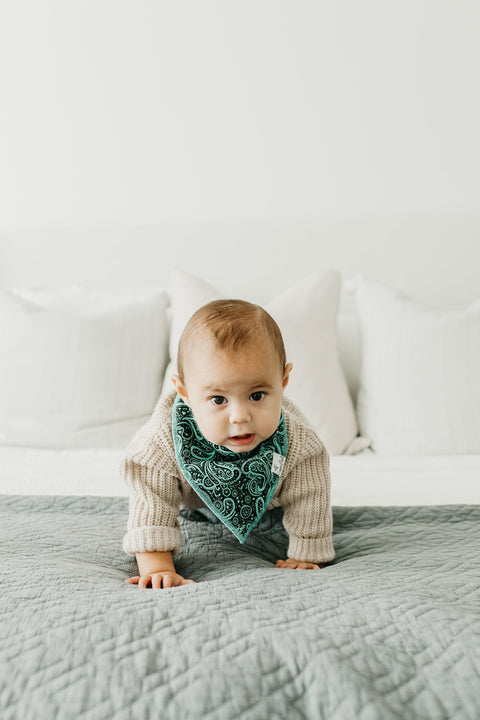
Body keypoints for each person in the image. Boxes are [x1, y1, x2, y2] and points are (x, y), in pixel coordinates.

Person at [122, 299, 335, 590]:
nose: (240, 416)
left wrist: (307, 552)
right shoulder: (159, 444)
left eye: (257, 395)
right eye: (219, 400)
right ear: (184, 392)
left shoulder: (300, 443)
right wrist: (158, 565)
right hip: (191, 498)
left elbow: (310, 496)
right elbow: (151, 503)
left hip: (268, 501)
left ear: (283, 381)